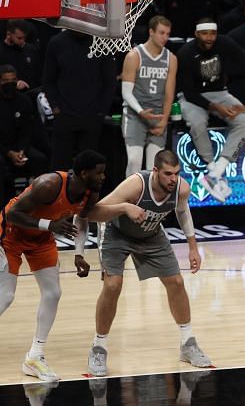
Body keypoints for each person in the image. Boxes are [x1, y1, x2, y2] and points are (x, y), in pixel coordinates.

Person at [0, 150, 145, 381]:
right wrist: (50, 224)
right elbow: (11, 213)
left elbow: (82, 220)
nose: (103, 177)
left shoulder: (91, 192)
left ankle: (34, 357)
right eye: (99, 173)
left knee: (53, 293)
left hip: (41, 238)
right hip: (10, 234)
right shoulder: (48, 184)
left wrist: (79, 254)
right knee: (6, 295)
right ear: (83, 173)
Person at [86, 149, 211, 376]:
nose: (173, 179)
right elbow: (93, 212)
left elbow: (183, 211)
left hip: (151, 234)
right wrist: (125, 207)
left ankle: (188, 343)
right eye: (167, 174)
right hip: (117, 232)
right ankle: (98, 347)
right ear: (155, 171)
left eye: (176, 173)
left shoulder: (181, 188)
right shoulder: (136, 185)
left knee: (176, 282)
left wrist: (193, 246)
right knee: (112, 286)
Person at [177, 17, 245, 203]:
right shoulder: (186, 53)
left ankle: (217, 172)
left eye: (213, 33)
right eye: (205, 33)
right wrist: (216, 108)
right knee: (197, 123)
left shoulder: (225, 43)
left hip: (220, 93)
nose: (209, 38)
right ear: (197, 34)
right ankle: (211, 169)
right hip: (193, 97)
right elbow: (189, 93)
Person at [42, 30, 117, 171]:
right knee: (59, 168)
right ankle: (59, 193)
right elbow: (48, 80)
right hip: (64, 116)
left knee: (89, 170)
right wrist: (56, 107)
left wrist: (100, 112)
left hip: (92, 117)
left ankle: (88, 194)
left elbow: (110, 82)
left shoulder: (101, 42)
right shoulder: (56, 42)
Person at [120, 15, 177, 177]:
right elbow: (126, 92)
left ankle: (148, 201)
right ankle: (130, 198)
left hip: (157, 115)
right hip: (135, 115)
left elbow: (169, 93)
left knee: (154, 168)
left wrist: (164, 120)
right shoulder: (134, 56)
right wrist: (140, 111)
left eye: (167, 34)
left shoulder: (171, 59)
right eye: (161, 33)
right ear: (151, 32)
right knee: (134, 162)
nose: (165, 37)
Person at [0, 65, 48, 202]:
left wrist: (21, 150)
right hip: (2, 149)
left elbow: (27, 131)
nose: (10, 84)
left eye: (13, 80)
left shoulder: (24, 100)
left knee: (41, 160)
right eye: (6, 80)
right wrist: (9, 153)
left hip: (20, 147)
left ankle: (40, 202)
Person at [0, 20, 42, 93]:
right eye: (19, 38)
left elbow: (38, 74)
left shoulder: (30, 49)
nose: (22, 41)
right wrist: (14, 83)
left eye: (24, 38)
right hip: (9, 95)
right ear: (9, 34)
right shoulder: (1, 52)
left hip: (32, 95)